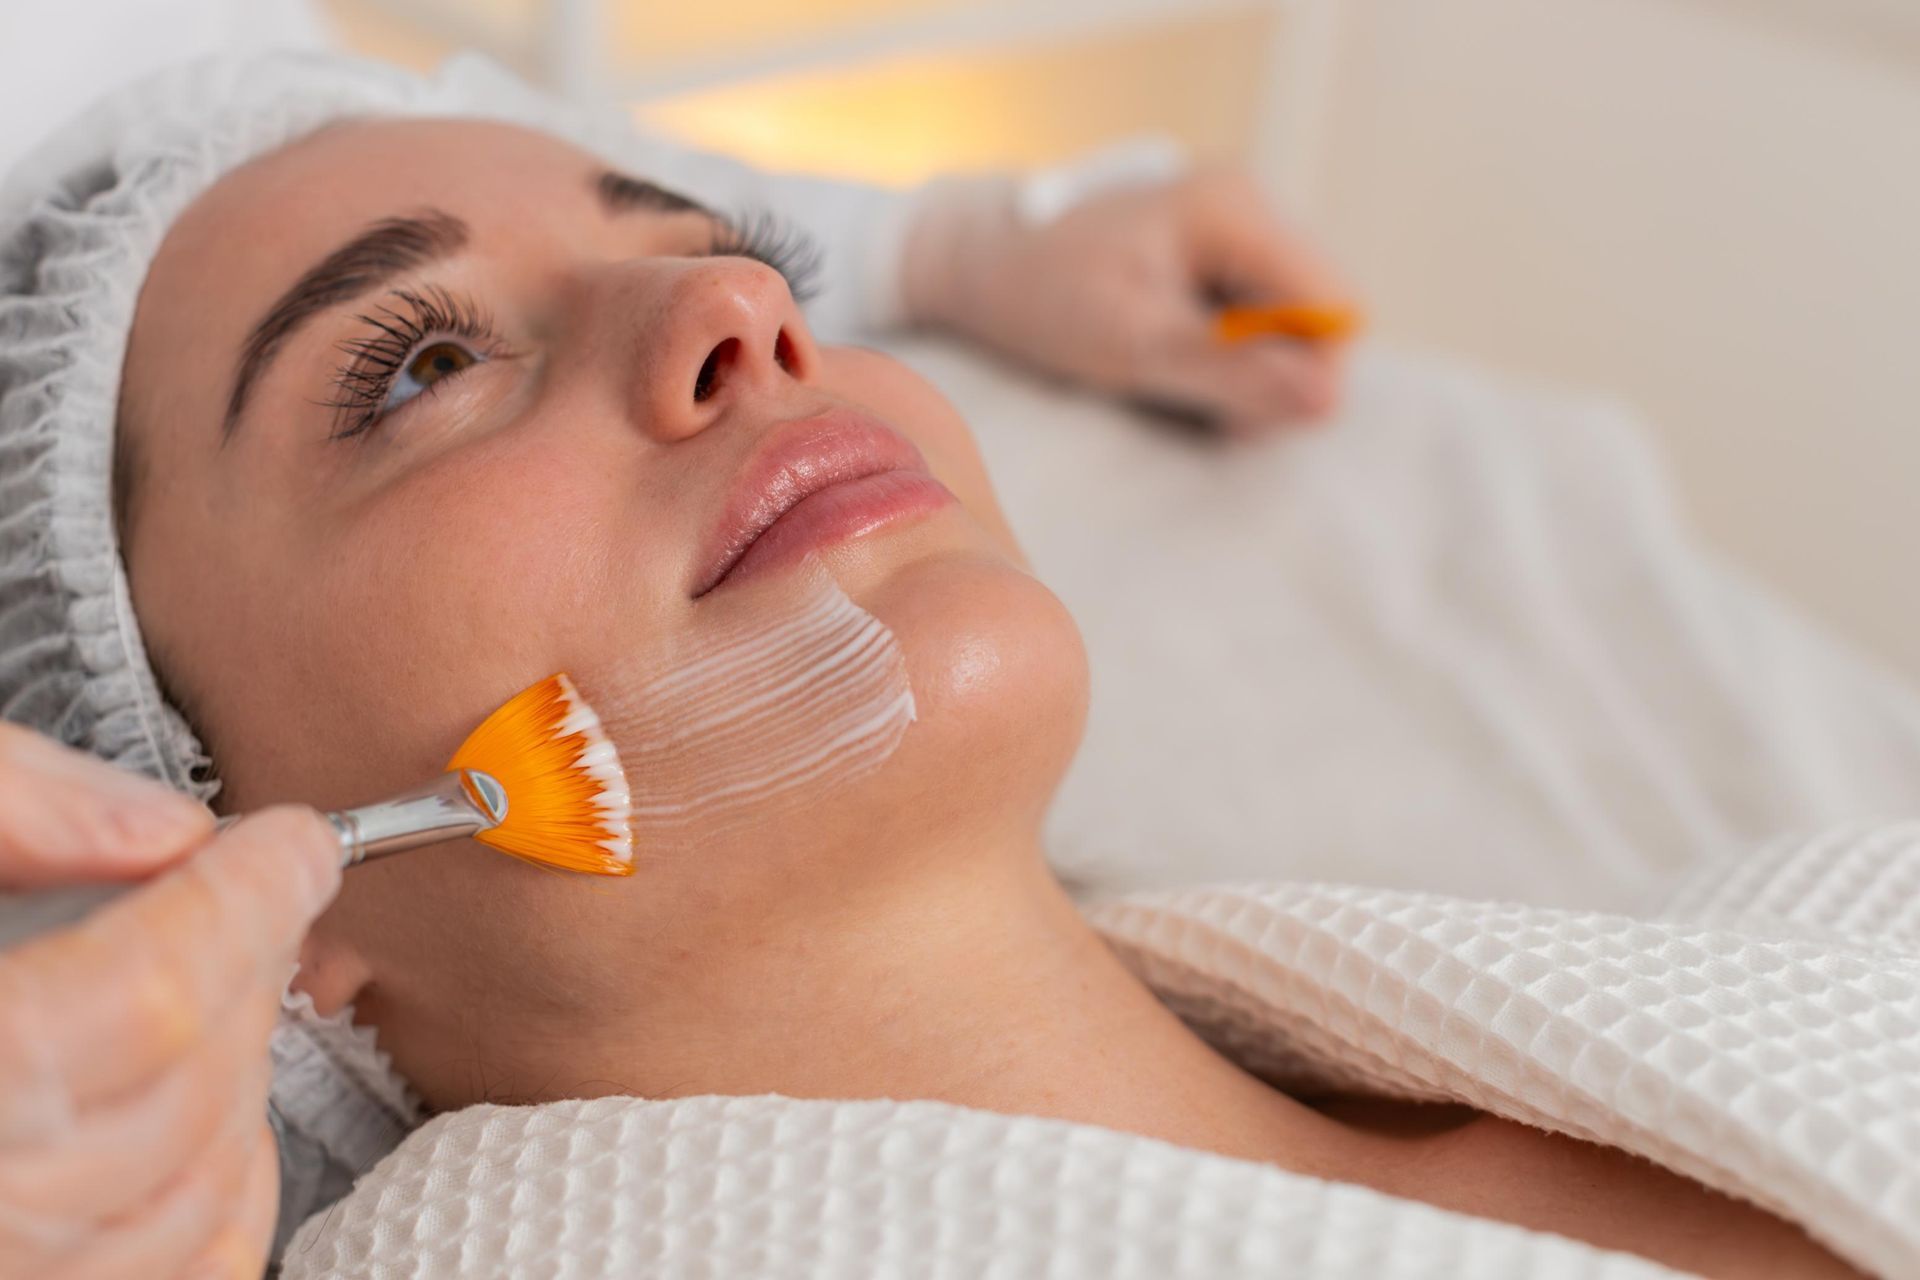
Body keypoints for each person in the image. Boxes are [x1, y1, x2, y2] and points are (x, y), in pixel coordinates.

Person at [0, 52, 1888, 1280]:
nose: (737, 309)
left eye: (752, 254)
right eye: (418, 364)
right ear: (209, 862)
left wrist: (985, 244)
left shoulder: (1842, 928)